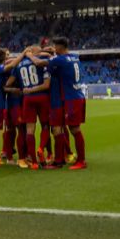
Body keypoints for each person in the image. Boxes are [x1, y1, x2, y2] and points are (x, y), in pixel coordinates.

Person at [30, 37, 87, 170]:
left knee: (74, 129)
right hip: (76, 95)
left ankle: (81, 160)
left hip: (71, 98)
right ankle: (59, 160)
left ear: (60, 47)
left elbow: (39, 63)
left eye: (55, 46)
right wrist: (50, 52)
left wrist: (29, 55)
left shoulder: (59, 59)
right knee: (61, 128)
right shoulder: (74, 56)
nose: (54, 48)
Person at [8, 46, 52, 169]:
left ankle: (33, 162)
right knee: (45, 126)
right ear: (34, 52)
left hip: (27, 98)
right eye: (39, 50)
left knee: (29, 130)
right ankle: (40, 149)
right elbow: (47, 84)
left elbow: (9, 82)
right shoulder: (41, 59)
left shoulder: (19, 64)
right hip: (42, 96)